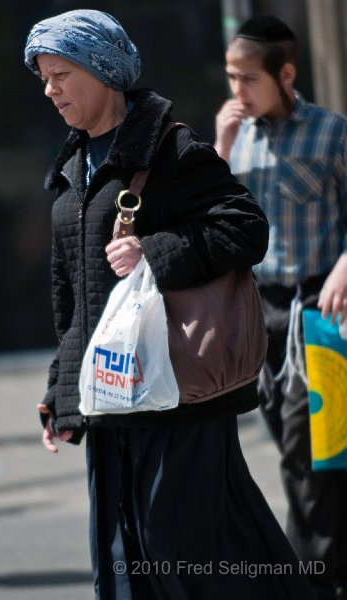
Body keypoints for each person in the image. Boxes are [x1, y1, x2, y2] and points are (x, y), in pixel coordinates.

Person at [24, 10, 317, 599]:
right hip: (110, 393)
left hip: (175, 390)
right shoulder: (72, 163)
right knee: (126, 554)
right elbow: (73, 294)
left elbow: (244, 227)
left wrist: (154, 253)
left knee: (185, 553)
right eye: (44, 78)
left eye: (61, 74)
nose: (50, 90)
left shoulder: (170, 146)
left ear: (102, 71)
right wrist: (62, 387)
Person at [215, 14, 347, 600]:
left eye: (247, 78)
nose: (237, 91)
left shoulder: (330, 133)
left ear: (285, 73)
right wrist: (219, 146)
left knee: (309, 451)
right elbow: (209, 215)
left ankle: (312, 580)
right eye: (230, 77)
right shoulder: (233, 136)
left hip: (314, 309)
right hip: (254, 310)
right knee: (287, 442)